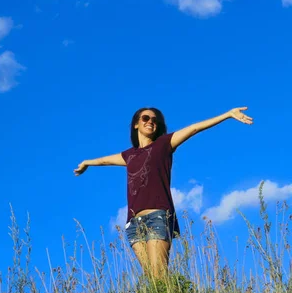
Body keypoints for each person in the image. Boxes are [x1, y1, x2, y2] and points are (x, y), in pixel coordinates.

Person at [73, 107, 253, 279]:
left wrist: (228, 114)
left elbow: (193, 128)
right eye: (145, 118)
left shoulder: (163, 144)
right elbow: (105, 161)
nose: (151, 122)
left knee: (159, 275)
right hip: (133, 223)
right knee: (151, 278)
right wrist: (87, 162)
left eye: (154, 120)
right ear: (136, 124)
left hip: (157, 216)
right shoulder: (129, 155)